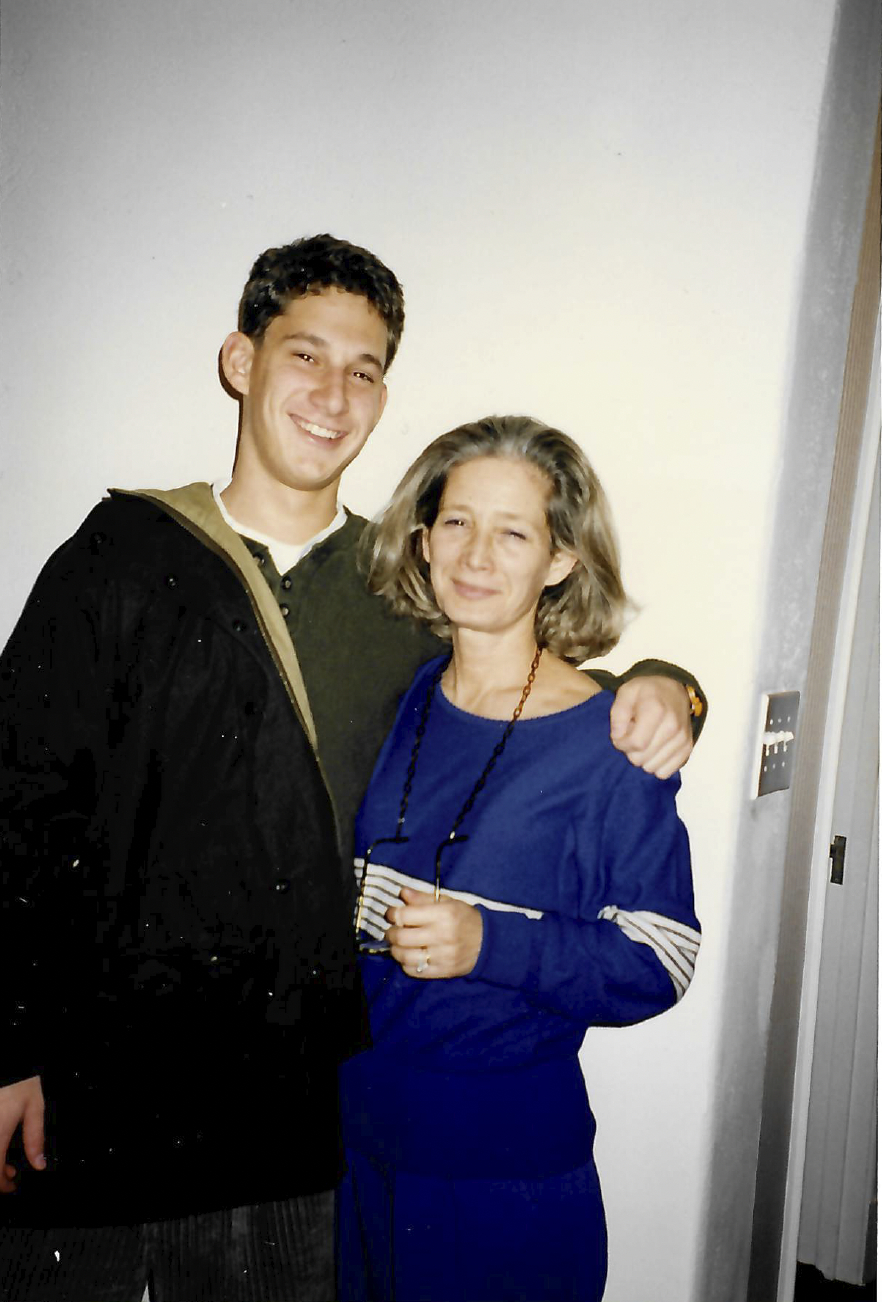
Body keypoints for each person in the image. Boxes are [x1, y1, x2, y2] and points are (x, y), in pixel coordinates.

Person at [0, 236, 704, 1302]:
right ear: (241, 362)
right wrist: (10, 1047)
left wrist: (669, 682)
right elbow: (18, 804)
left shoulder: (399, 607)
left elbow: (528, 679)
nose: (334, 396)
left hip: (298, 1129)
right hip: (105, 1099)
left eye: (365, 371)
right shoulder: (121, 556)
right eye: (305, 357)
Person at [337, 415, 701, 1302]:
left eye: (513, 533)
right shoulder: (408, 692)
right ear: (423, 540)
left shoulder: (611, 738)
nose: (475, 555)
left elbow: (664, 957)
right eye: (456, 522)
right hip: (358, 1149)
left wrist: (487, 944)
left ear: (561, 560)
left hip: (500, 1169)